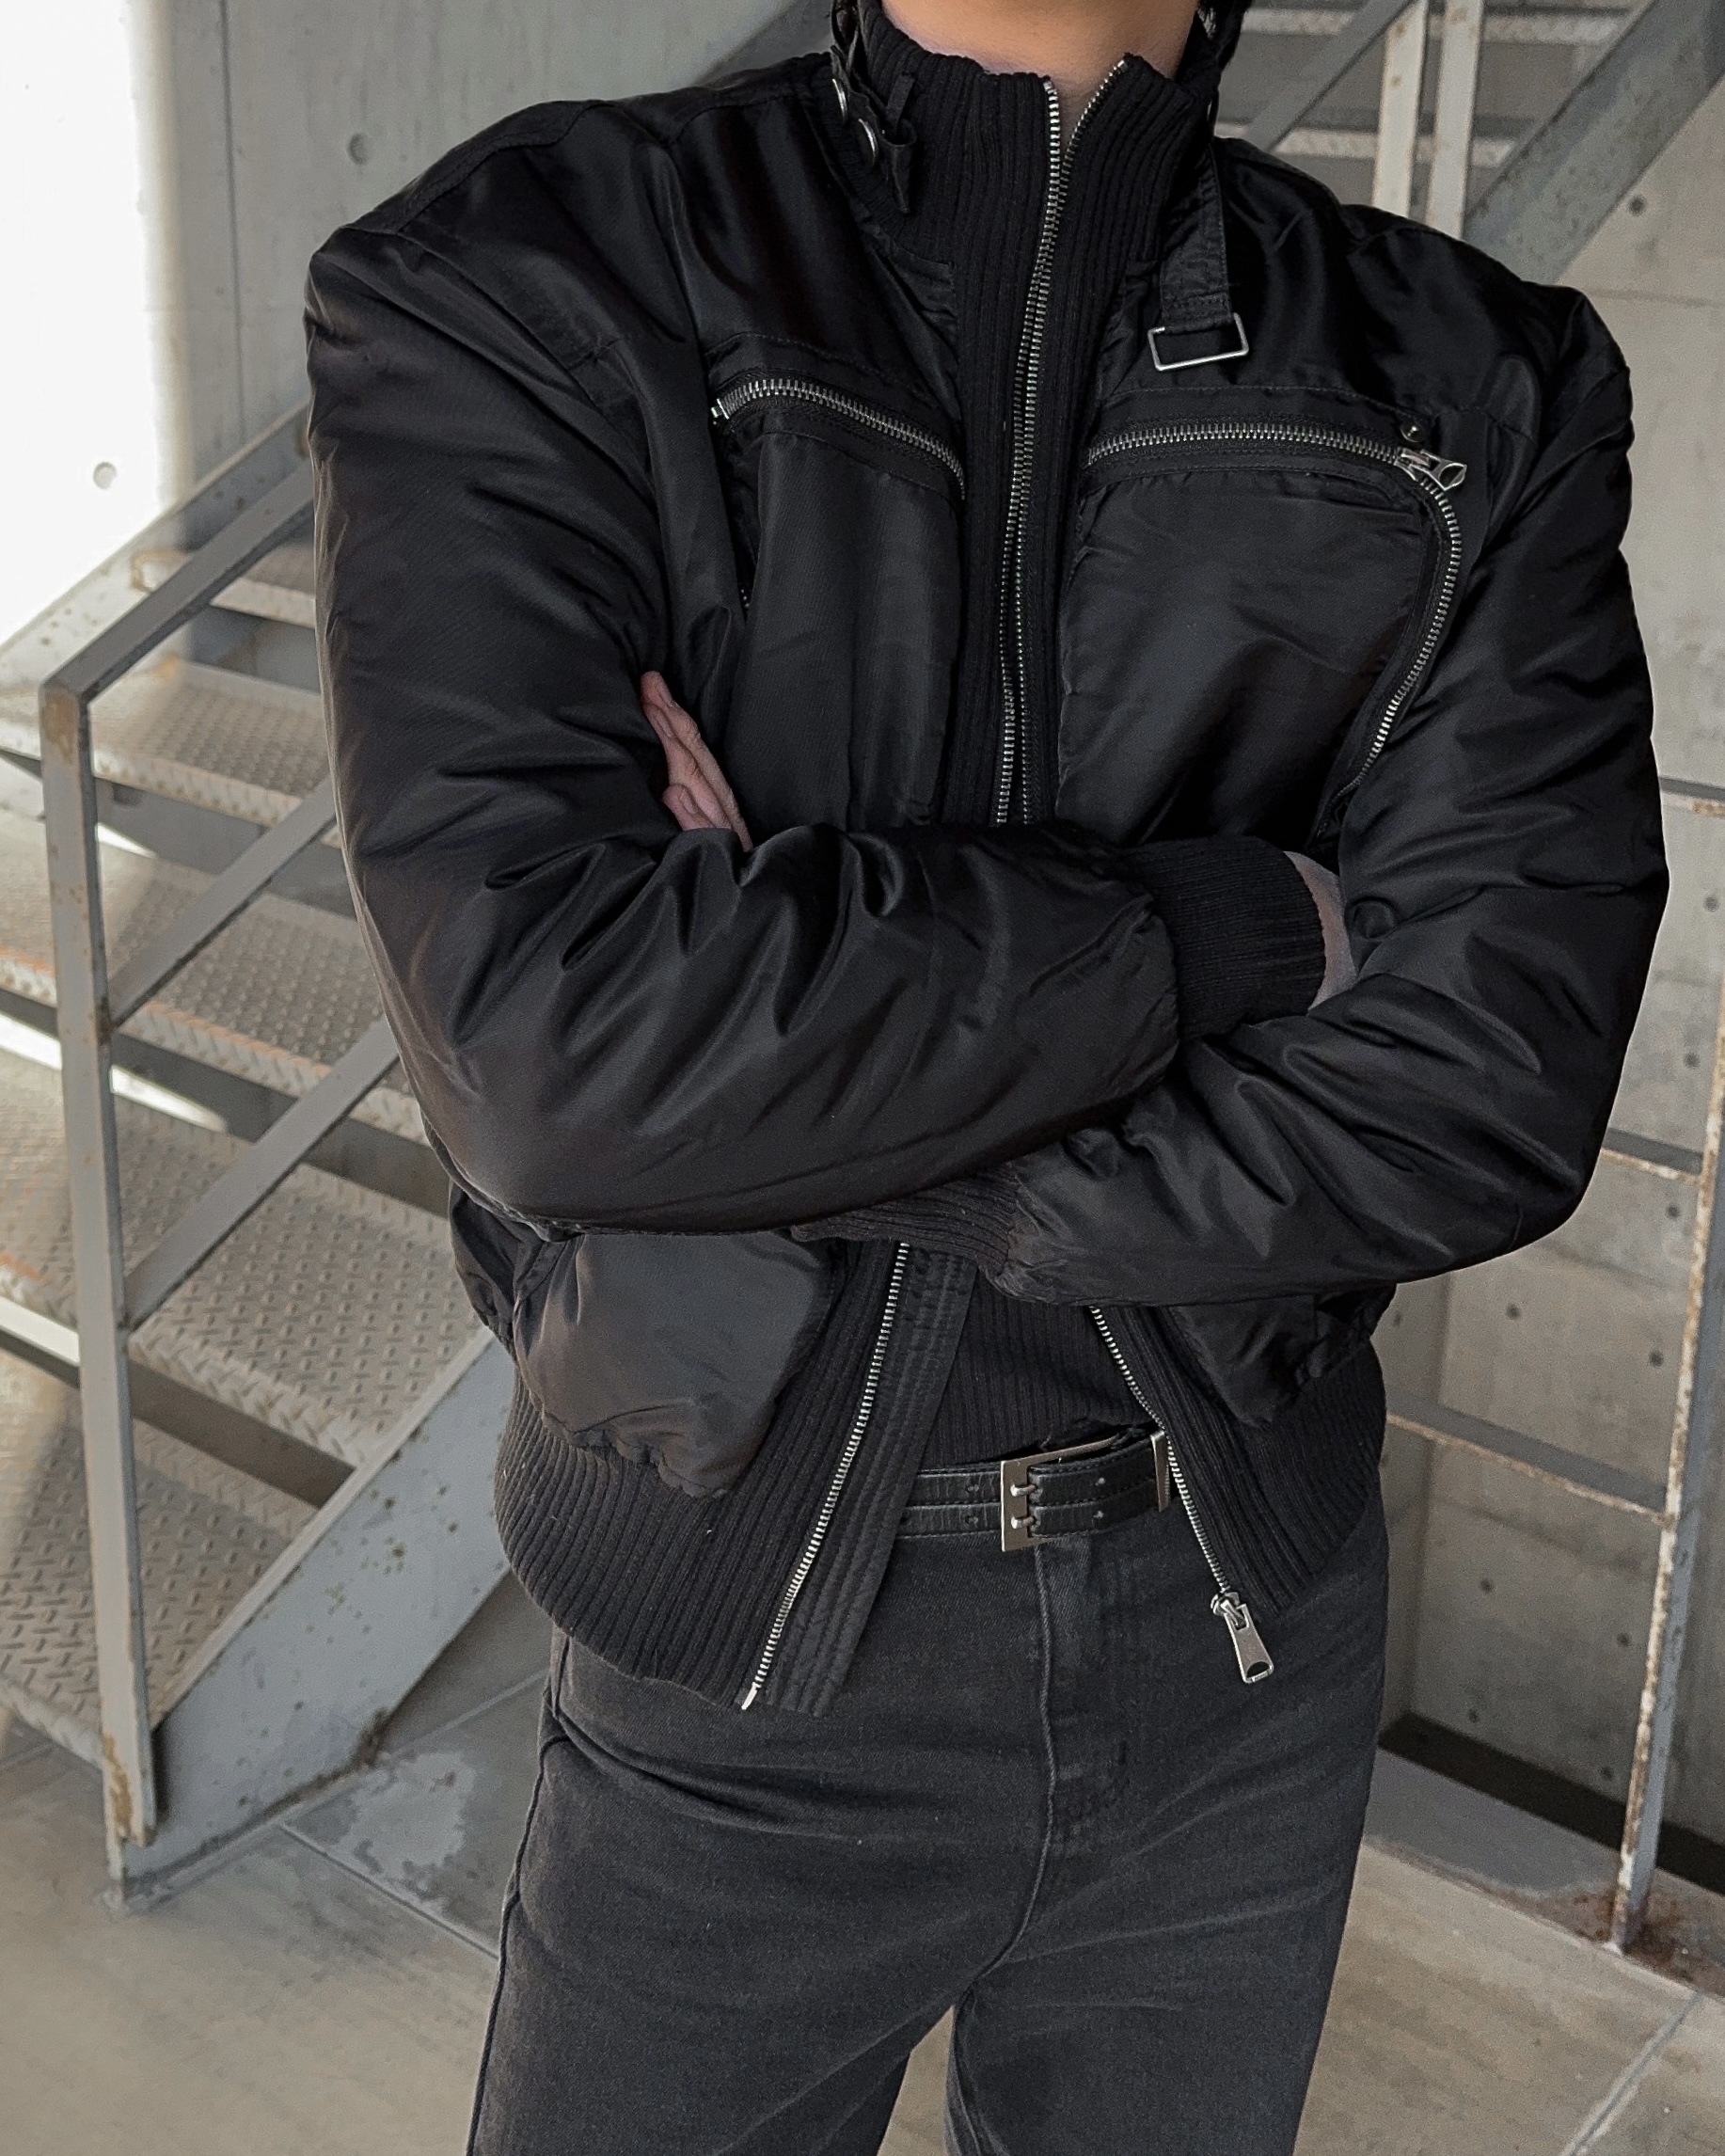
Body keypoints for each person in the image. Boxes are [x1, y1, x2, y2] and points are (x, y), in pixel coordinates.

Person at [305, 0, 1666, 2148]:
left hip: (1249, 1623)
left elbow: (1479, 1094)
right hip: (734, 1652)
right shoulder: (537, 273)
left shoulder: (1474, 375)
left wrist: (770, 1077)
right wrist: (1231, 929)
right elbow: (556, 1067)